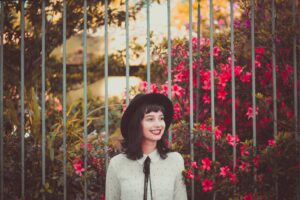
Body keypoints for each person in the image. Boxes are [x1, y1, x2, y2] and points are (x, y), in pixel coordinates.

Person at [105, 93, 187, 200]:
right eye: (150, 119)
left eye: (161, 118)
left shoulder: (175, 160)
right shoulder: (117, 164)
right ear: (137, 124)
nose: (158, 124)